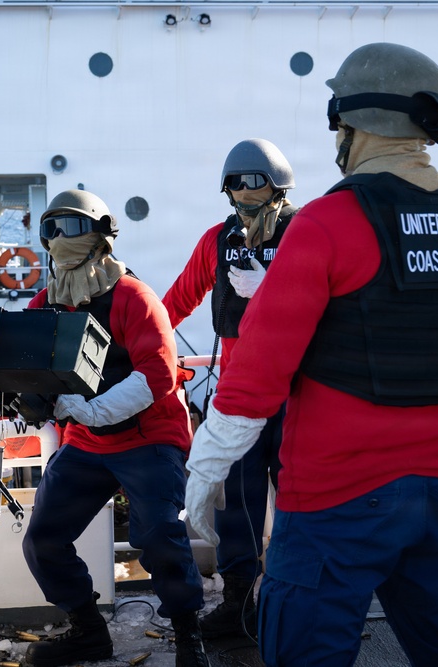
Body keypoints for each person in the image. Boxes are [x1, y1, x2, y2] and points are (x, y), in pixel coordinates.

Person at [184, 43, 438, 666]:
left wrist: (204, 469)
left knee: (303, 649)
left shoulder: (330, 221)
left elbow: (256, 373)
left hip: (337, 500)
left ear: (349, 122)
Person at [21, 189, 210, 667]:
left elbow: (157, 377)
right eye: (52, 230)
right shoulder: (48, 302)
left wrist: (83, 410)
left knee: (161, 535)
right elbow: (25, 360)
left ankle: (190, 635)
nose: (62, 240)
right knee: (43, 538)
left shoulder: (134, 298)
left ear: (102, 235)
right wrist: (26, 391)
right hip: (87, 445)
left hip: (149, 438)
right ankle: (88, 631)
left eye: (74, 228)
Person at [161, 138, 297, 639]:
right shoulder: (218, 241)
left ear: (278, 184)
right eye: (236, 183)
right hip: (240, 392)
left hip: (297, 391)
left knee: (302, 496)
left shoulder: (306, 233)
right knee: (238, 499)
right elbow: (178, 299)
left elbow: (337, 299)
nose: (244, 192)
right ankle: (241, 603)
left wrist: (275, 287)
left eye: (255, 181)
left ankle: (304, 597)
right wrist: (136, 343)